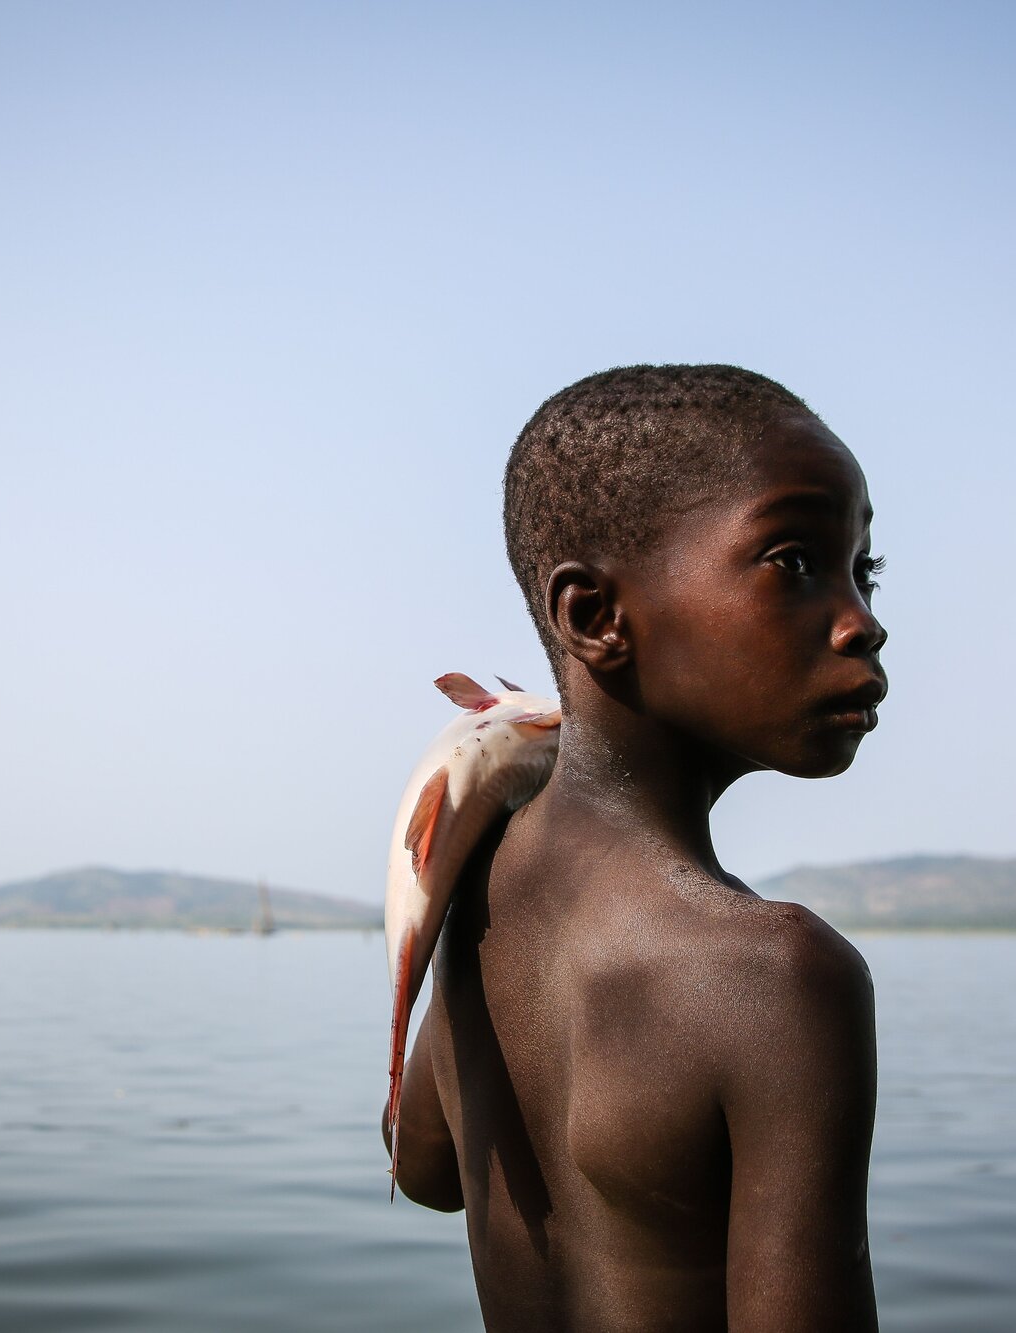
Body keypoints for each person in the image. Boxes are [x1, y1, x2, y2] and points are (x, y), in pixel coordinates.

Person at [385, 364, 885, 1331]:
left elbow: (428, 1166)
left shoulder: (483, 885)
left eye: (862, 570)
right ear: (594, 617)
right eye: (793, 561)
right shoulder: (779, 976)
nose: (861, 620)